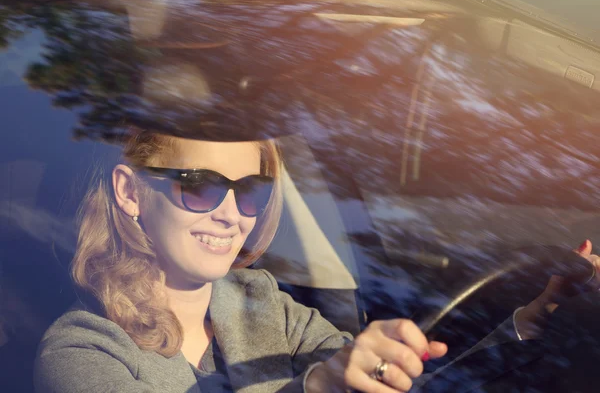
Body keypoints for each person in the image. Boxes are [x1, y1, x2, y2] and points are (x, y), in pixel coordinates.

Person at [33, 129, 600, 393]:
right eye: (200, 187)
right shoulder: (81, 352)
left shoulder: (266, 306)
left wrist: (533, 320)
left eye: (250, 191)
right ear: (131, 194)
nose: (232, 215)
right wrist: (319, 388)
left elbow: (390, 386)